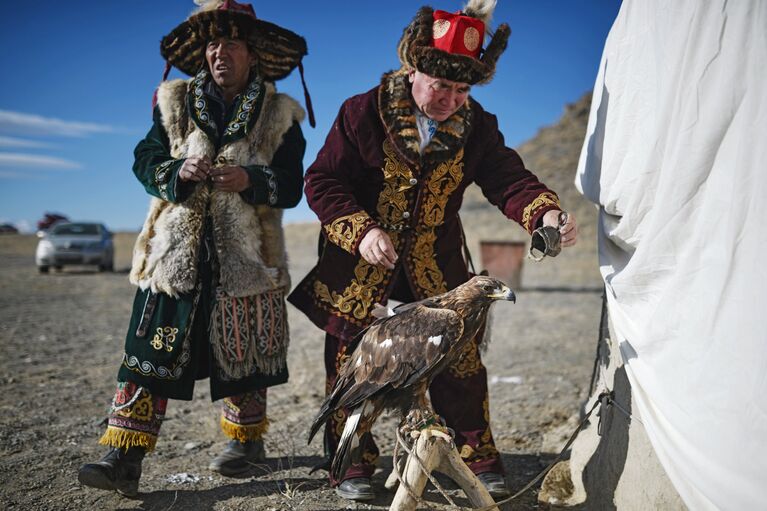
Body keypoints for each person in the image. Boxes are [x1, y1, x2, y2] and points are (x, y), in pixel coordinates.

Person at [287, 0, 577, 502]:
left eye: (462, 89)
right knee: (354, 363)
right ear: (412, 69)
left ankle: (473, 456)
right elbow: (323, 180)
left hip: (435, 267)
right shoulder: (363, 112)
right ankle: (354, 463)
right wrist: (360, 231)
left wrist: (543, 214)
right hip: (361, 267)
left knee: (459, 362)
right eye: (440, 86)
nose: (450, 99)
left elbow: (508, 179)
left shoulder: (478, 126)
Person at [77, 0, 310, 497]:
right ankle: (124, 454)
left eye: (230, 43)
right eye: (212, 44)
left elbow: (291, 184)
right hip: (175, 248)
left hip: (246, 252)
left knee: (244, 350)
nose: (219, 52)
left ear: (252, 53)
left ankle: (246, 443)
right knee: (149, 351)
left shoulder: (279, 112)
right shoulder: (174, 101)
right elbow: (146, 158)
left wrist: (251, 177)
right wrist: (174, 172)